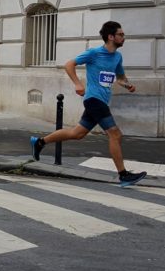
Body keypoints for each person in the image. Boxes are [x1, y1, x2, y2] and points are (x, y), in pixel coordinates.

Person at [29, 21, 148, 187]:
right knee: (115, 134)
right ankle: (123, 175)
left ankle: (39, 142)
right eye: (121, 35)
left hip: (102, 100)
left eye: (123, 34)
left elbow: (120, 77)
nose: (124, 37)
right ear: (111, 36)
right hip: (93, 99)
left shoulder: (117, 57)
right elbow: (69, 64)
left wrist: (127, 85)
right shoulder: (94, 53)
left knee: (77, 133)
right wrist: (78, 84)